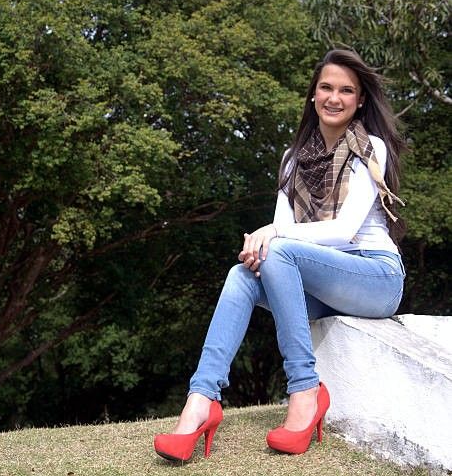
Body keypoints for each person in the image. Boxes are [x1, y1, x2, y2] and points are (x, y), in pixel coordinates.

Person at [154, 49, 407, 461]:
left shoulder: (369, 147)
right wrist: (261, 249)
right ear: (313, 95)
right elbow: (278, 244)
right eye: (326, 87)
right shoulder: (293, 160)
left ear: (360, 100)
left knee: (280, 248)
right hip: (319, 285)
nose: (334, 97)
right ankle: (201, 401)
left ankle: (305, 391)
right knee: (242, 275)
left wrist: (272, 235)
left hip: (374, 277)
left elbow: (343, 233)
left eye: (347, 90)